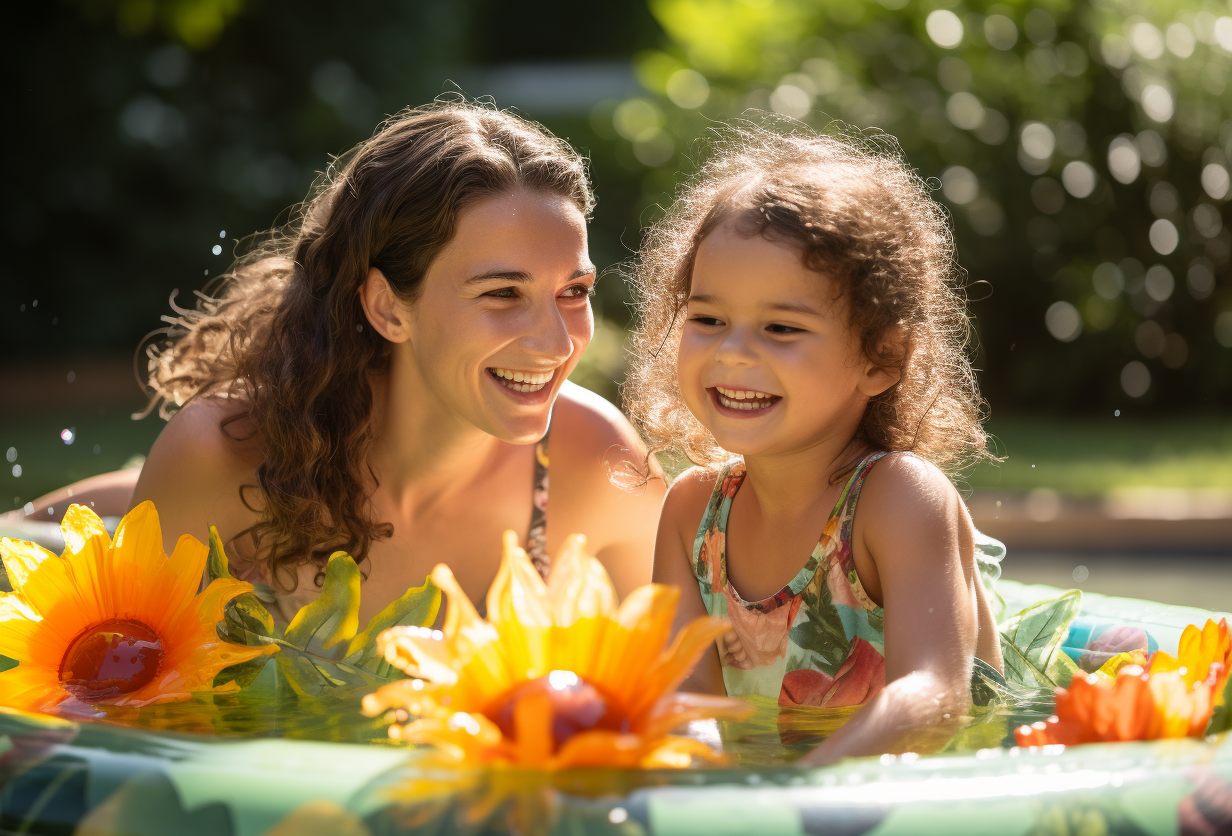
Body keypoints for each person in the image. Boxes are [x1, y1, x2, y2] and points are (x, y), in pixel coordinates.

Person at [25, 102, 663, 624]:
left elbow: (688, 695)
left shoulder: (599, 464)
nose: (557, 343)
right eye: (502, 294)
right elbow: (123, 704)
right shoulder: (225, 459)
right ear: (388, 307)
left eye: (573, 292)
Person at [626, 125, 1004, 764]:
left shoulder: (896, 499)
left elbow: (937, 696)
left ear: (881, 358)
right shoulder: (693, 513)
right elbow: (688, 698)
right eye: (708, 319)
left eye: (780, 328)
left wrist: (795, 791)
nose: (733, 352)